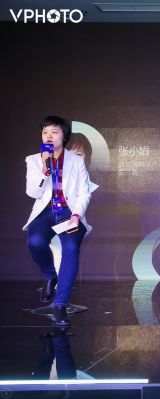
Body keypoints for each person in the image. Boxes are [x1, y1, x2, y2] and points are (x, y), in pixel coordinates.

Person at [24, 116, 92, 326]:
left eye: (54, 132)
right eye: (45, 132)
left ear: (64, 135)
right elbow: (32, 192)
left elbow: (84, 192)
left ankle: (60, 305)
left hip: (69, 212)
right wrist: (44, 171)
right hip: (46, 212)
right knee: (34, 242)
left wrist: (76, 215)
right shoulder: (33, 160)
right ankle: (49, 275)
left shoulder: (76, 160)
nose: (49, 136)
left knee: (71, 248)